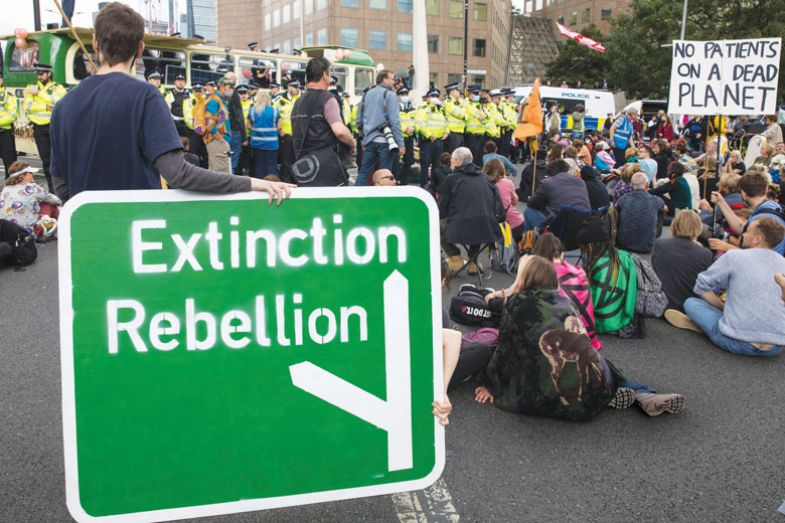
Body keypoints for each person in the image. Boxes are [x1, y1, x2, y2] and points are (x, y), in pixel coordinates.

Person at [49, 2, 293, 202]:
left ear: (95, 43)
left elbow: (60, 183)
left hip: (84, 238)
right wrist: (253, 183)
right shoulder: (145, 96)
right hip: (136, 233)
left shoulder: (63, 106)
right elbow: (179, 174)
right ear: (140, 49)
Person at [475, 255, 685, 419]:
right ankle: (639, 394)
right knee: (601, 363)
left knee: (531, 362)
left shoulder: (515, 303)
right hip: (594, 383)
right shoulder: (564, 301)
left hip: (552, 397)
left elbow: (506, 350)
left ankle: (606, 396)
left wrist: (490, 384)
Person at [667, 217, 785, 357]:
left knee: (691, 303)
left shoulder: (735, 256)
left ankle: (707, 325)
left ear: (757, 239)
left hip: (737, 342)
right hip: (775, 348)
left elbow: (701, 285)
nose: (743, 234)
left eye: (747, 231)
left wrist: (721, 307)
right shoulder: (783, 263)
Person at [531, 233, 602, 349]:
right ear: (561, 253)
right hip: (587, 338)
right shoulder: (579, 271)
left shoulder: (543, 275)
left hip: (561, 343)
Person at [291, 57, 355, 183]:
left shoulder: (298, 102)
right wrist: (352, 143)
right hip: (326, 166)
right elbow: (340, 131)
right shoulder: (328, 98)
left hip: (305, 167)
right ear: (325, 75)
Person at [438, 147, 503, 272]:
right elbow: (499, 210)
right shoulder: (486, 179)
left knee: (435, 224)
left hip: (460, 228)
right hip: (488, 228)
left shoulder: (451, 179)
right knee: (478, 217)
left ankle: (455, 257)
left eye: (452, 161)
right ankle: (473, 260)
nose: (451, 164)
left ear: (457, 161)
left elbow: (441, 210)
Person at [578, 218, 637, 334]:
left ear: (590, 246)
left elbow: (592, 301)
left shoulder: (596, 264)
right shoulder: (625, 256)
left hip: (601, 323)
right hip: (624, 319)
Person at [706, 171, 785, 255]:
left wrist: (726, 246)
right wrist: (721, 203)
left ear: (743, 194)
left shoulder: (762, 218)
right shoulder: (771, 206)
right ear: (766, 189)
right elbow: (742, 228)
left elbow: (758, 257)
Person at [653, 210, 713, 312]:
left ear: (675, 224)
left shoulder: (659, 244)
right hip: (686, 304)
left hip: (660, 302)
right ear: (698, 228)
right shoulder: (705, 254)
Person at [356, 69, 404, 186]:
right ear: (384, 79)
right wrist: (401, 144)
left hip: (369, 140)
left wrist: (363, 137)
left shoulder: (367, 94)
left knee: (364, 172)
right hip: (385, 141)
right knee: (385, 175)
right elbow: (394, 121)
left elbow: (359, 119)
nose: (394, 82)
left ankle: (355, 198)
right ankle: (383, 202)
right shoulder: (390, 95)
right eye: (392, 79)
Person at [23, 63, 67, 190]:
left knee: (59, 159)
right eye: (37, 74)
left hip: (54, 126)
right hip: (39, 128)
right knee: (46, 161)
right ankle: (52, 190)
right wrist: (47, 106)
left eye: (41, 74)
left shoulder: (57, 88)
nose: (39, 76)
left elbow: (58, 103)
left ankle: (62, 189)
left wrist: (39, 94)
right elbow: (28, 107)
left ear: (49, 74)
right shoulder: (31, 88)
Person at [524, 159, 591, 231]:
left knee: (529, 211)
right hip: (582, 226)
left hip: (559, 228)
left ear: (550, 174)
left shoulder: (548, 182)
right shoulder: (580, 182)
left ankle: (529, 240)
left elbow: (531, 204)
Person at [1, 161, 61, 240]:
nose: (33, 174)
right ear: (22, 176)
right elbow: (55, 200)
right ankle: (58, 225)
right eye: (30, 173)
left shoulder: (5, 189)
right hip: (28, 230)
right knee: (50, 205)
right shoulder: (32, 187)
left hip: (6, 230)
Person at [616, 172, 665, 253]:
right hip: (647, 246)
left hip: (624, 245)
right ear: (647, 185)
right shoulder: (656, 200)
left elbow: (616, 206)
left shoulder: (624, 199)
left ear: (631, 185)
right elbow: (665, 208)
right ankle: (654, 235)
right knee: (660, 211)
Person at [483, 158, 523, 242]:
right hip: (510, 223)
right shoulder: (507, 183)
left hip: (489, 225)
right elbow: (515, 202)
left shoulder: (482, 184)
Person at [415, 90, 448, 188]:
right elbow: (420, 124)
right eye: (432, 96)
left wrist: (447, 132)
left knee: (436, 165)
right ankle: (424, 186)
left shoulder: (440, 110)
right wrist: (429, 135)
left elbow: (445, 123)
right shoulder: (423, 109)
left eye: (436, 96)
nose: (435, 98)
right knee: (425, 164)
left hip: (439, 141)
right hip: (428, 141)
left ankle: (434, 186)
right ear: (428, 98)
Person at [247, 89, 279, 178]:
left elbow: (248, 126)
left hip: (257, 144)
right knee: (271, 168)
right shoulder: (275, 110)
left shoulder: (252, 110)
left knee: (259, 167)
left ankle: (260, 187)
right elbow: (279, 127)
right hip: (272, 144)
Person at [274, 79, 301, 182]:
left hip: (298, 135)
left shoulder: (300, 98)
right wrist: (279, 129)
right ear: (289, 87)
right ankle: (286, 181)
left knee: (297, 160)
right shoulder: (279, 100)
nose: (298, 89)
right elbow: (275, 115)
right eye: (295, 87)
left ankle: (296, 181)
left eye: (298, 87)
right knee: (286, 161)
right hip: (285, 136)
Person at [396, 87, 416, 184]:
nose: (404, 96)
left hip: (409, 138)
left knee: (408, 161)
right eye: (402, 94)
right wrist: (405, 129)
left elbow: (417, 121)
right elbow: (395, 122)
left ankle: (405, 182)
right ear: (398, 96)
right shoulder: (396, 108)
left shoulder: (412, 108)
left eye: (406, 94)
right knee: (396, 161)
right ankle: (396, 180)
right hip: (400, 138)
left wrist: (414, 128)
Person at [0, 73, 18, 178]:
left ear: (1, 81)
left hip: (4, 133)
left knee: (10, 163)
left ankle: (10, 188)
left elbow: (12, 115)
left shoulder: (7, 95)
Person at [442, 83, 465, 154]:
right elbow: (461, 114)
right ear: (452, 91)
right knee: (452, 156)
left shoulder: (457, 103)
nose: (459, 92)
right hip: (452, 134)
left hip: (459, 133)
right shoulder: (448, 102)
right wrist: (463, 107)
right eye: (457, 90)